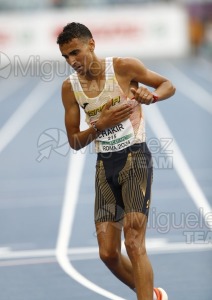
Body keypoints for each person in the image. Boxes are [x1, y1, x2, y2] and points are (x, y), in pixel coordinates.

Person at [57, 22, 175, 300]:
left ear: (92, 45)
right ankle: (150, 293)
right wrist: (101, 124)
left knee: (134, 243)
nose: (72, 61)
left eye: (75, 52)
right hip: (104, 165)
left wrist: (153, 96)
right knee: (108, 254)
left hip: (135, 158)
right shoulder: (70, 88)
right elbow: (74, 141)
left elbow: (167, 84)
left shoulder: (123, 67)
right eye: (66, 57)